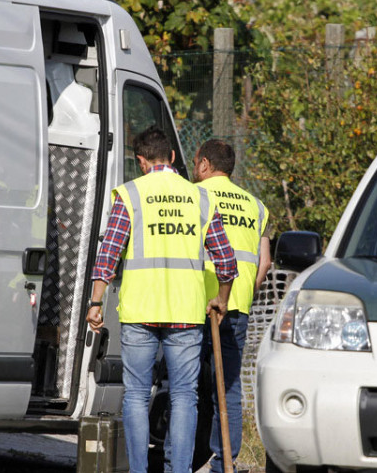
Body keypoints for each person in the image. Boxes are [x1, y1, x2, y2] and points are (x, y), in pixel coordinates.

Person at [85, 127, 237, 473]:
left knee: (137, 396)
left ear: (141, 161)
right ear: (171, 157)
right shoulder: (200, 197)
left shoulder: (130, 194)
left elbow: (108, 255)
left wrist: (96, 303)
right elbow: (226, 263)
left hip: (140, 312)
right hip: (185, 314)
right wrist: (222, 299)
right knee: (185, 397)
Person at [193, 139, 271, 473]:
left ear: (205, 164)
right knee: (229, 387)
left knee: (187, 386)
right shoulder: (256, 205)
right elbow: (264, 262)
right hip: (236, 306)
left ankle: (182, 457)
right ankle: (225, 460)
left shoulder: (195, 196)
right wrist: (242, 293)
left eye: (196, 163)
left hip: (197, 302)